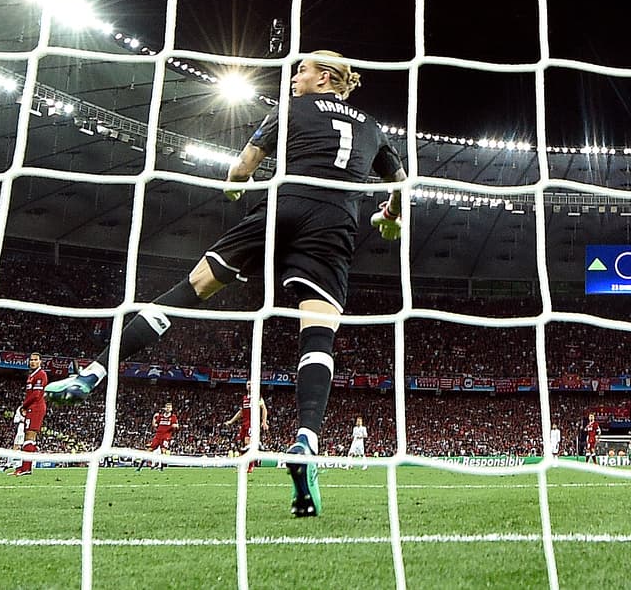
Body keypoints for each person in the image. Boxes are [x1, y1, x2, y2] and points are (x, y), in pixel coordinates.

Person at [47, 51, 407, 518]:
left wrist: (236, 186)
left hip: (284, 205)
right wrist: (390, 218)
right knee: (318, 330)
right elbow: (401, 185)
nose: (295, 76)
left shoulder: (291, 109)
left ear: (325, 77)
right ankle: (305, 442)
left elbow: (241, 168)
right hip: (335, 220)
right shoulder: (374, 129)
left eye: (302, 70)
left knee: (192, 287)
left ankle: (93, 372)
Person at [10, 352, 47, 477]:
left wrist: (24, 406)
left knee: (29, 437)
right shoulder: (31, 375)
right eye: (31, 360)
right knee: (28, 437)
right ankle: (25, 466)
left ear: (40, 361)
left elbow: (36, 395)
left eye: (35, 360)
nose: (32, 362)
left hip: (36, 408)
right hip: (31, 407)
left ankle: (26, 468)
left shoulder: (41, 374)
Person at [223, 392, 269, 471]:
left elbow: (264, 408)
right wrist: (231, 421)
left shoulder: (257, 397)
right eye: (248, 384)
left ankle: (250, 466)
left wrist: (264, 421)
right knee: (242, 444)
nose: (249, 386)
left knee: (248, 442)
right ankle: (244, 464)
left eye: (250, 384)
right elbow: (241, 412)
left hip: (252, 423)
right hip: (244, 424)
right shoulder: (244, 398)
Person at [140, 402, 179, 472]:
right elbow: (155, 425)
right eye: (167, 407)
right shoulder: (161, 416)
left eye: (169, 407)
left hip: (166, 436)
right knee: (149, 450)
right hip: (158, 436)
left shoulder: (173, 417)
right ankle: (140, 467)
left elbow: (176, 426)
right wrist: (153, 418)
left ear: (171, 409)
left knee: (163, 451)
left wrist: (175, 426)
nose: (168, 409)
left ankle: (161, 468)